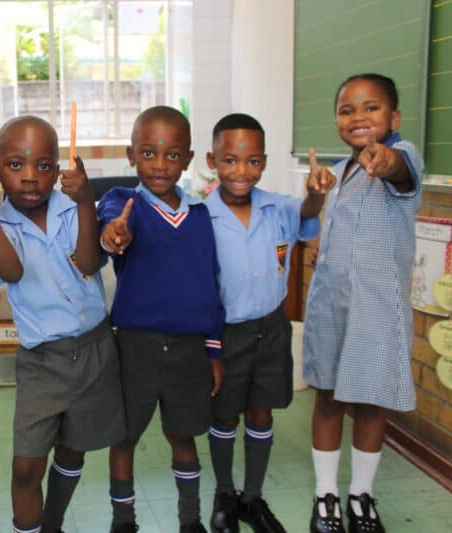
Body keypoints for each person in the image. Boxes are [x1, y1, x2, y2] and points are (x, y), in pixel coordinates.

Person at [0, 115, 125, 533]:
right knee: (26, 466)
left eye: (43, 165)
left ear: (58, 170)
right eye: (15, 165)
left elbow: (90, 263)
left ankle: (49, 524)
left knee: (73, 451)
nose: (30, 177)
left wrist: (87, 200)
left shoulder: (74, 207)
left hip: (94, 350)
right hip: (41, 362)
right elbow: (12, 272)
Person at [303, 73, 423, 533]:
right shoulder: (342, 169)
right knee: (329, 399)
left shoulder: (402, 153)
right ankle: (326, 497)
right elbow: (314, 216)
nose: (358, 117)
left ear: (393, 117)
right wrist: (315, 194)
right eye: (347, 110)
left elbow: (399, 169)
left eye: (371, 108)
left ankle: (361, 498)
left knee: (371, 404)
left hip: (375, 311)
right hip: (332, 309)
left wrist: (385, 158)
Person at [203, 113, 333, 533]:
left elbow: (308, 213)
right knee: (224, 417)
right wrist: (209, 348)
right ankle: (224, 494)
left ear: (263, 162)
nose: (242, 172)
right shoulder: (200, 217)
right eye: (230, 161)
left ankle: (252, 499)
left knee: (261, 414)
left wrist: (315, 194)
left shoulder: (278, 207)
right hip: (225, 334)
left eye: (253, 161)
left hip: (271, 329)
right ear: (212, 160)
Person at [98, 106, 225, 533]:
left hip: (190, 348)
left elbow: (211, 284)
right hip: (135, 346)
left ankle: (190, 521)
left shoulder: (202, 216)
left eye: (172, 155)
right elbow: (110, 228)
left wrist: (213, 347)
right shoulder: (123, 202)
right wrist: (114, 233)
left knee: (183, 435)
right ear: (131, 154)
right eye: (148, 153)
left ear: (188, 159)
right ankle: (124, 522)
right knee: (125, 436)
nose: (159, 164)